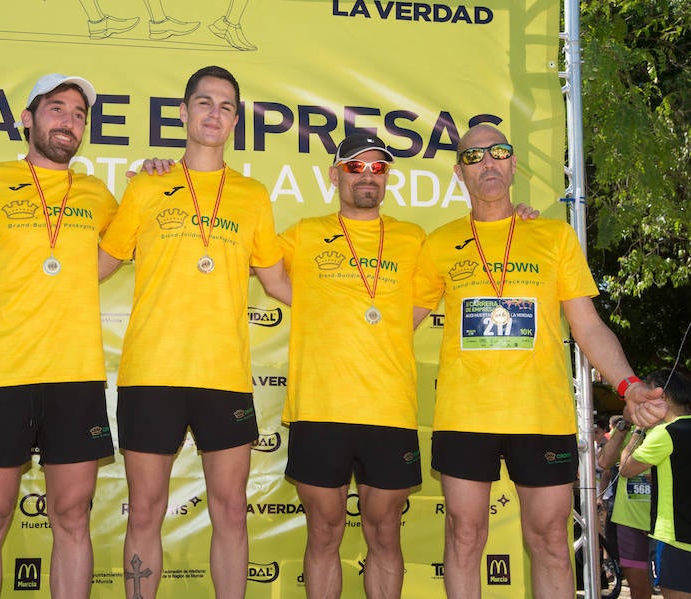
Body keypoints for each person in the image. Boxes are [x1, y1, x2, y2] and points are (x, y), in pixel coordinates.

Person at [414, 123, 666, 598]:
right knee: (464, 537)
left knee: (551, 540)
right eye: (474, 156)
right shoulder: (438, 243)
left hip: (541, 413)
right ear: (459, 173)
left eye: (498, 152)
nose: (488, 162)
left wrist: (629, 385)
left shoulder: (553, 236)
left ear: (512, 163)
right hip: (465, 414)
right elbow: (398, 317)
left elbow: (587, 326)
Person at [98, 65, 290, 599]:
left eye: (226, 107)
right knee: (146, 511)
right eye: (205, 103)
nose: (215, 114)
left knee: (231, 511)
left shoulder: (252, 196)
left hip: (223, 376)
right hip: (151, 373)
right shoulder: (147, 186)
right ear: (183, 113)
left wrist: (357, 304)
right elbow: (97, 265)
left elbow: (278, 283)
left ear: (235, 121)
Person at [0, 73, 117, 599]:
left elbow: (122, 248)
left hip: (75, 377)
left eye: (79, 114)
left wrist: (154, 173)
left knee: (73, 515)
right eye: (57, 109)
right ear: (27, 118)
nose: (69, 121)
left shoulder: (100, 195)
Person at [278, 134, 430, 598]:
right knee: (323, 532)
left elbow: (428, 297)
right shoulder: (303, 233)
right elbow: (241, 251)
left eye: (377, 169)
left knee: (385, 532)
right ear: (334, 174)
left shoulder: (413, 238)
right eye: (355, 167)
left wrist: (521, 220)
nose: (367, 176)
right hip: (320, 409)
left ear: (387, 178)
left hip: (389, 410)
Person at [620, 367, 691, 599]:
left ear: (663, 397)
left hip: (673, 539)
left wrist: (638, 429)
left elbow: (626, 468)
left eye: (647, 396)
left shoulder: (664, 433)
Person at [598, 411, 653, 599]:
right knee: (639, 590)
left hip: (665, 522)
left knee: (677, 588)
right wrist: (626, 425)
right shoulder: (626, 430)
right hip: (630, 521)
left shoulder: (670, 429)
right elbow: (604, 462)